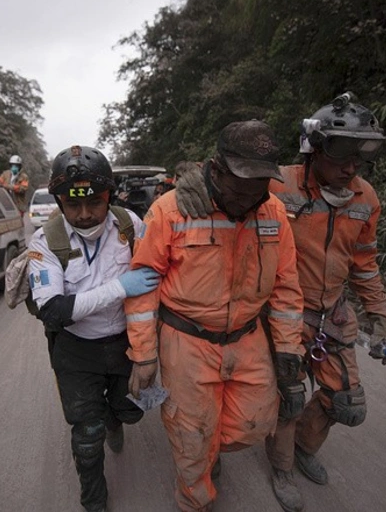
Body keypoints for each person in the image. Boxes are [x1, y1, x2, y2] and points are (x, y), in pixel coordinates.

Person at [174, 93, 386, 512]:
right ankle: (281, 468)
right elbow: (227, 179)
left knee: (345, 403)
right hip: (277, 313)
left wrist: (380, 315)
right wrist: (188, 173)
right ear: (313, 149)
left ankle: (301, 448)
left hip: (332, 312)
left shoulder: (365, 198)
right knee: (288, 396)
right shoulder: (278, 183)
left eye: (359, 157)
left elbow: (364, 263)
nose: (350, 167)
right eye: (341, 154)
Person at [125, 121, 305, 512]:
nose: (248, 200)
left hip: (247, 337)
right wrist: (143, 354)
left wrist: (290, 345)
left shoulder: (272, 211)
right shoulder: (171, 210)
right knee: (193, 439)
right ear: (216, 169)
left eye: (260, 187)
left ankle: (208, 451)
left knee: (254, 424)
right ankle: (196, 499)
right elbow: (141, 284)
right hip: (186, 341)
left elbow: (287, 286)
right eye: (241, 187)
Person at [27, 145, 161, 512]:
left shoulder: (132, 226)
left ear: (110, 196)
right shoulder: (44, 243)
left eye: (94, 203)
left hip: (124, 344)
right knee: (87, 436)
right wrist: (120, 288)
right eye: (72, 205)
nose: (84, 215)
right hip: (75, 351)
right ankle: (94, 500)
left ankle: (113, 417)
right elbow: (53, 311)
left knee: (129, 411)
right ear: (59, 203)